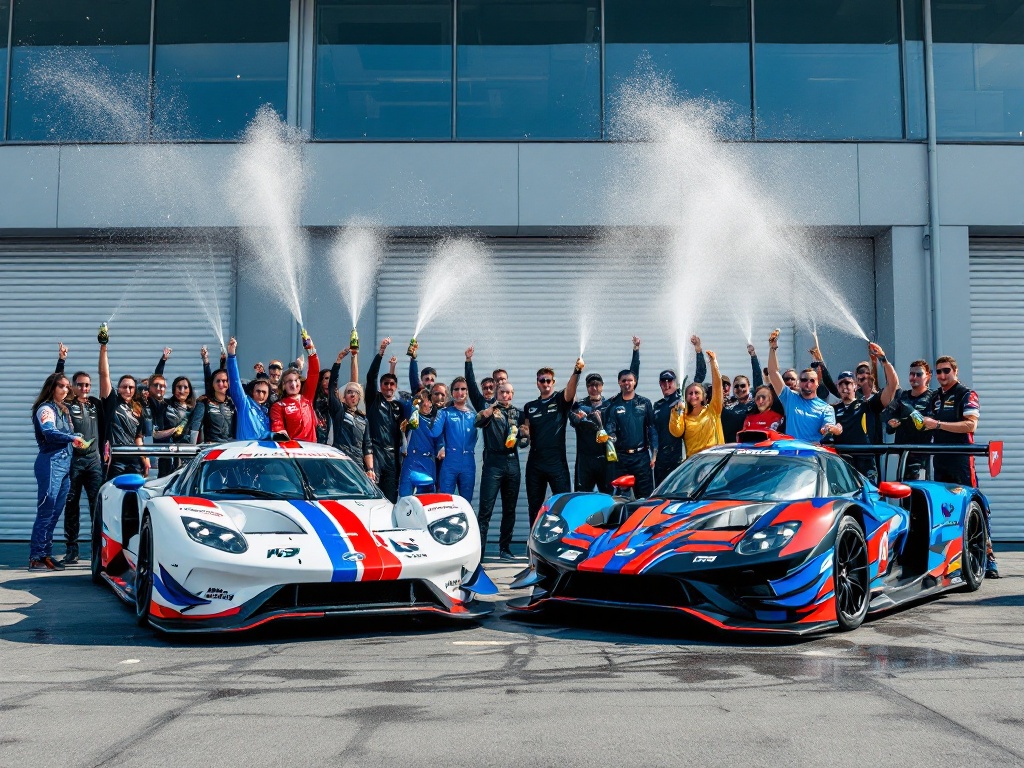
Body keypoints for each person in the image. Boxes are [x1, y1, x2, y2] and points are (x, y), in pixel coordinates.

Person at [922, 356, 997, 578]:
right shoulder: (935, 397)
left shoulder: (966, 394)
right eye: (938, 372)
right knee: (947, 510)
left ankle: (989, 557)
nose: (942, 375)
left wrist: (937, 425)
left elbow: (971, 424)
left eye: (946, 371)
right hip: (941, 460)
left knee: (974, 505)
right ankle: (951, 560)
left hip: (962, 460)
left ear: (955, 370)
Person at [30, 373, 86, 571]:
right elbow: (48, 431)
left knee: (55, 513)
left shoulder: (62, 409)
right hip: (50, 463)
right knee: (46, 510)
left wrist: (75, 438)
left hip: (64, 465)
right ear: (51, 387)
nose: (65, 389)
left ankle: (46, 553)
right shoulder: (45, 408)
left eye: (66, 386)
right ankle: (36, 557)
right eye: (60, 386)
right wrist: (71, 438)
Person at [521, 357, 584, 526]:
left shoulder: (560, 400)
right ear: (537, 383)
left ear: (553, 382)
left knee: (564, 504)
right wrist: (524, 433)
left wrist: (576, 371)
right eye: (542, 381)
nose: (545, 383)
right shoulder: (529, 406)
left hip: (557, 462)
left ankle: (565, 541)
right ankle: (534, 543)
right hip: (535, 463)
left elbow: (570, 391)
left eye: (548, 380)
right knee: (534, 506)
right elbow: (525, 432)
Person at [828, 343, 899, 481]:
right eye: (841, 384)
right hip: (842, 463)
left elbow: (893, 385)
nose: (844, 387)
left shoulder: (868, 405)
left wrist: (883, 360)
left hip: (865, 463)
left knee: (870, 500)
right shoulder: (832, 410)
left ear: (855, 385)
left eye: (848, 383)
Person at [58, 362, 104, 565]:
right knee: (71, 503)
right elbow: (56, 384)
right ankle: (72, 548)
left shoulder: (95, 403)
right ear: (73, 386)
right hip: (74, 462)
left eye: (87, 385)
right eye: (80, 385)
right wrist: (61, 361)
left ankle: (97, 548)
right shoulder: (66, 406)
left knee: (97, 504)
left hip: (93, 461)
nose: (84, 388)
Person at [476, 382, 526, 560]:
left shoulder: (518, 413)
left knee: (509, 509)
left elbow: (524, 441)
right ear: (497, 393)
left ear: (512, 394)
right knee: (485, 510)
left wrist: (524, 436)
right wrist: (489, 409)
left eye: (508, 393)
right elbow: (478, 422)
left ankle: (505, 549)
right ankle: (479, 552)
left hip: (512, 462)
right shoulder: (490, 410)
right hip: (493, 463)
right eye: (502, 392)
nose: (505, 395)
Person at [767, 330, 839, 444]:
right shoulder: (789, 397)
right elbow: (772, 372)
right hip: (791, 454)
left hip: (811, 456)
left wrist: (829, 429)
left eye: (812, 380)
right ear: (799, 382)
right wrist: (773, 348)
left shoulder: (826, 408)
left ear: (817, 383)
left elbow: (828, 429)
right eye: (804, 380)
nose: (808, 383)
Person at [97, 330, 149, 479]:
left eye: (131, 387)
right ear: (118, 389)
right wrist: (103, 347)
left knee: (135, 496)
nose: (128, 389)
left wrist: (145, 459)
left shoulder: (138, 408)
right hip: (115, 459)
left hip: (134, 458)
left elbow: (138, 438)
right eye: (124, 386)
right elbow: (104, 374)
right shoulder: (111, 401)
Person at [605, 368, 657, 498]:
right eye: (624, 380)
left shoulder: (644, 403)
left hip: (641, 457)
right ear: (619, 383)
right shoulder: (613, 405)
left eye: (630, 380)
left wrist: (654, 454)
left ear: (635, 382)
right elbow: (610, 428)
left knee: (645, 496)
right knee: (621, 497)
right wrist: (611, 437)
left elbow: (652, 429)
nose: (627, 383)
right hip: (622, 459)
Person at [366, 338, 405, 502]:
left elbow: (404, 432)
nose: (389, 387)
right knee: (373, 496)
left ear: (396, 387)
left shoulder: (399, 406)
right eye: (385, 384)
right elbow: (371, 375)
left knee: (391, 498)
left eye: (392, 384)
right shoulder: (374, 400)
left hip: (393, 457)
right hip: (376, 453)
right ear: (381, 386)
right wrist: (381, 353)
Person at [884, 359, 934, 479]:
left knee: (919, 493)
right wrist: (891, 424)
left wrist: (911, 411)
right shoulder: (902, 396)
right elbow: (887, 422)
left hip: (922, 458)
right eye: (911, 374)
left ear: (928, 376)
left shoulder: (933, 397)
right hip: (901, 456)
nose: (914, 377)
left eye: (919, 374)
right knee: (903, 494)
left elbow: (926, 425)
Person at [669, 350, 725, 457]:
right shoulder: (684, 416)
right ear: (686, 397)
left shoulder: (713, 410)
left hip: (715, 460)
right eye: (690, 393)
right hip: (695, 464)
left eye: (697, 393)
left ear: (703, 396)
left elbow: (717, 388)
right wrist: (676, 412)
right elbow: (676, 432)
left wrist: (713, 364)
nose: (693, 396)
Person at [269, 332, 320, 442]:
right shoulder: (278, 406)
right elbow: (278, 426)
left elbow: (314, 373)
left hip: (312, 449)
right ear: (283, 385)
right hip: (294, 451)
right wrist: (280, 433)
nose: (293, 384)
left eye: (296, 380)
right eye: (289, 381)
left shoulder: (307, 398)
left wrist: (311, 350)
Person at [328, 362, 375, 481]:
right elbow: (332, 388)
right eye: (349, 392)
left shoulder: (363, 419)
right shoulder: (339, 411)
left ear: (359, 398)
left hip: (357, 464)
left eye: (356, 393)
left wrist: (370, 469)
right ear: (343, 397)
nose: (353, 395)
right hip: (340, 461)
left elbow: (367, 446)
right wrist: (338, 363)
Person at [398, 390, 445, 496]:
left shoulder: (436, 422)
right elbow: (403, 400)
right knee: (404, 497)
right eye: (422, 401)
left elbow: (439, 442)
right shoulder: (413, 416)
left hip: (428, 463)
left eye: (429, 401)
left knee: (427, 499)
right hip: (411, 461)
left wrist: (442, 449)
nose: (426, 404)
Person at [438, 376, 477, 501]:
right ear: (451, 392)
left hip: (468, 462)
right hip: (450, 461)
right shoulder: (445, 412)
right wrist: (441, 447)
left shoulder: (474, 415)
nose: (460, 392)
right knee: (445, 500)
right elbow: (436, 434)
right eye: (456, 389)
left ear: (467, 391)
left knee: (466, 502)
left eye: (463, 389)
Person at [153, 376, 201, 477]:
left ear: (190, 390)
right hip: (167, 455)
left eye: (185, 387)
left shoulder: (195, 409)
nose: (182, 390)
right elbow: (156, 434)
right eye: (179, 387)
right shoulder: (165, 405)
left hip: (186, 455)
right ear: (174, 389)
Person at [570, 373, 611, 493]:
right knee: (582, 496)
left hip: (605, 458)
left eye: (597, 385)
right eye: (591, 385)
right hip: (585, 459)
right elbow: (574, 421)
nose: (594, 388)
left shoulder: (609, 405)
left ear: (602, 386)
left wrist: (586, 418)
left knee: (608, 496)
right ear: (587, 387)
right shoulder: (580, 405)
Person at [225, 338, 270, 442]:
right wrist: (232, 355)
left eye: (264, 392)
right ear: (252, 392)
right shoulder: (244, 404)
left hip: (262, 454)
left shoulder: (267, 413)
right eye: (258, 391)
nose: (261, 395)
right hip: (244, 454)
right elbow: (235, 381)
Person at [652, 370, 684, 485]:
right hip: (661, 457)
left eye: (669, 381)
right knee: (660, 488)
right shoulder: (657, 405)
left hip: (678, 455)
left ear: (675, 382)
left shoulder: (682, 400)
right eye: (663, 382)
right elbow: (653, 431)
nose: (666, 384)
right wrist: (654, 454)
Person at [194, 365, 237, 444]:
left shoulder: (233, 403)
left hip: (231, 446)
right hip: (212, 446)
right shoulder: (204, 402)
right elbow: (195, 427)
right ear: (212, 384)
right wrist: (192, 448)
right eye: (218, 381)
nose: (221, 384)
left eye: (224, 381)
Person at [464, 345, 497, 411]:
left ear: (495, 388)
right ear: (481, 389)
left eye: (491, 387)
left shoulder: (500, 399)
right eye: (485, 388)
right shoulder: (479, 400)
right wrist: (468, 359)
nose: (488, 390)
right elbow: (471, 383)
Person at [314, 367, 333, 444]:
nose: (329, 381)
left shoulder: (337, 397)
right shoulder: (316, 397)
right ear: (320, 381)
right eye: (326, 378)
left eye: (331, 378)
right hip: (320, 434)